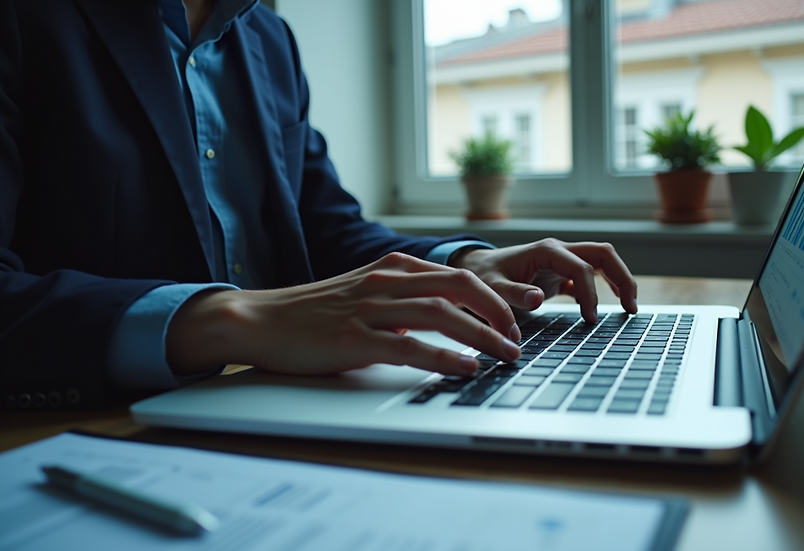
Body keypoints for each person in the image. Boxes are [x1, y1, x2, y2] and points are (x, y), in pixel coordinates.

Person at [0, 0, 636, 410]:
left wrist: (468, 264)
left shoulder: (267, 37)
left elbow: (327, 229)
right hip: (92, 424)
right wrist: (235, 320)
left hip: (282, 403)